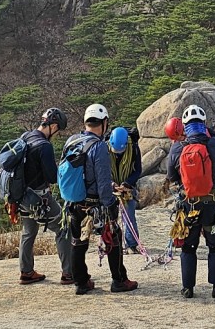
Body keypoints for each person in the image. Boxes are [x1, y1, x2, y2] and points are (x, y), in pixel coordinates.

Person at [63, 104, 139, 296]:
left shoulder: (72, 141)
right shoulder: (99, 147)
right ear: (104, 123)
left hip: (73, 202)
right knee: (114, 237)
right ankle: (119, 280)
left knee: (78, 240)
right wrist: (111, 204)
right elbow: (104, 182)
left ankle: (81, 282)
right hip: (95, 204)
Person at [166, 104, 215, 299]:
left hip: (189, 205)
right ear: (204, 123)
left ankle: (188, 288)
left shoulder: (177, 148)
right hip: (212, 204)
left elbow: (171, 176)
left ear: (185, 126)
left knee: (189, 247)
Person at [18, 107, 73, 285]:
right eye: (58, 130)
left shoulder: (26, 136)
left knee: (28, 232)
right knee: (63, 228)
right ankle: (69, 273)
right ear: (54, 126)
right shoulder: (45, 146)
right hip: (40, 199)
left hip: (22, 197)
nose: (57, 134)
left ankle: (26, 272)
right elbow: (52, 177)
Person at [107, 126, 142, 254]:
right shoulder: (104, 148)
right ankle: (112, 243)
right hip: (110, 186)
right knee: (109, 216)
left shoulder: (133, 148)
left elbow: (137, 170)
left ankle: (131, 244)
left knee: (129, 215)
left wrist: (127, 183)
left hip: (127, 186)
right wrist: (111, 183)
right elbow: (100, 169)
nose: (118, 153)